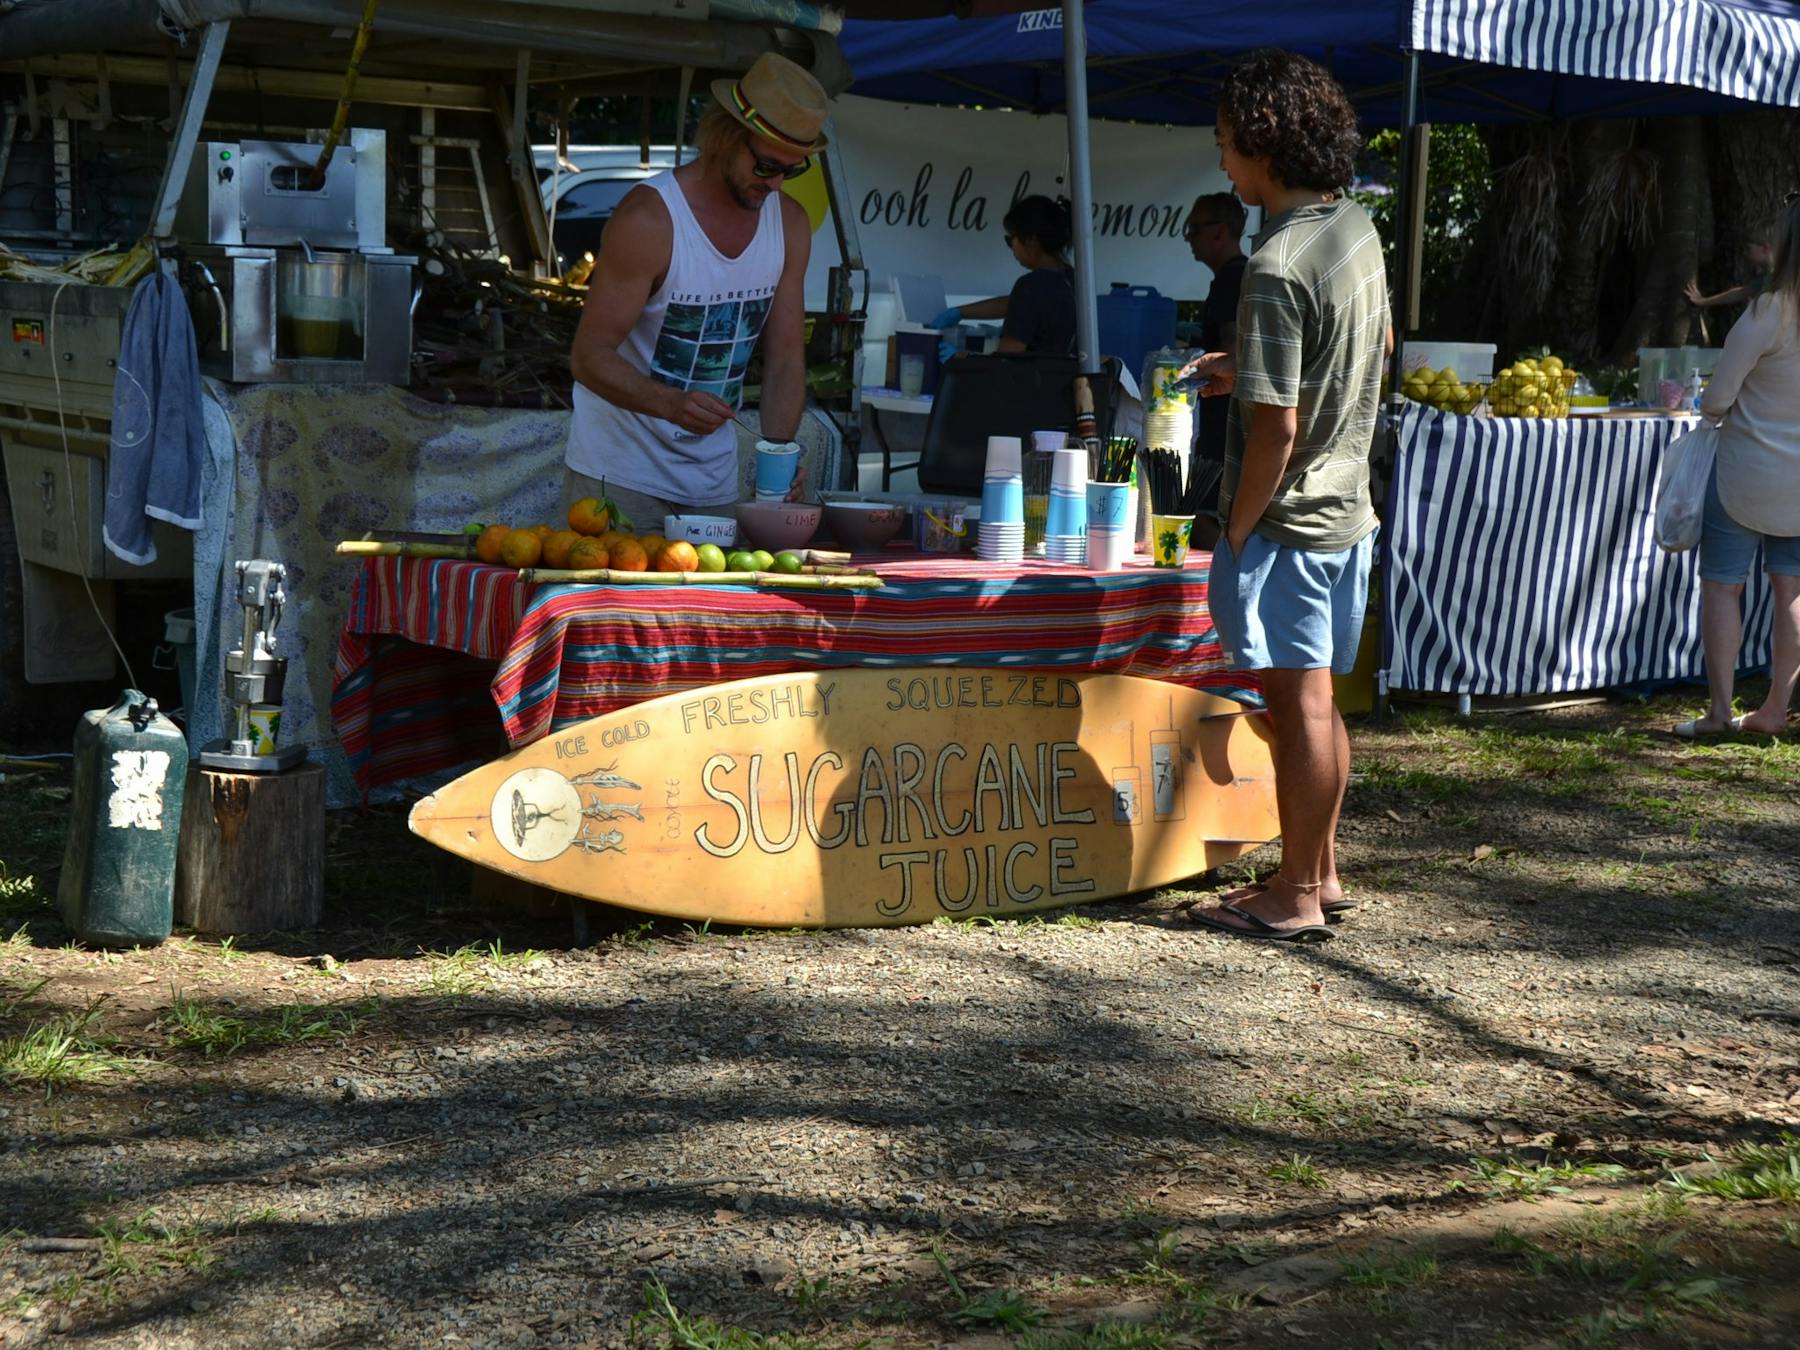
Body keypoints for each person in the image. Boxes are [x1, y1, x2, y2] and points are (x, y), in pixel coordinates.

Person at [1177, 49, 1389, 943]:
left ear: (1263, 144)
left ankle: (1294, 894)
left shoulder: (1273, 261)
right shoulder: (1357, 229)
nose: (1223, 162)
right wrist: (1249, 365)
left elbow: (1277, 432)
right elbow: (1366, 353)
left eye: (1228, 144)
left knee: (1295, 704)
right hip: (1349, 509)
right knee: (1319, 700)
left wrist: (1237, 529)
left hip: (1290, 519)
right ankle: (1323, 871)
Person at [563, 52, 823, 527]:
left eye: (793, 169)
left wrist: (780, 459)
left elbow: (786, 357)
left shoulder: (790, 225)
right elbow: (588, 357)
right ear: (724, 137)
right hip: (620, 477)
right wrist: (670, 404)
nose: (777, 183)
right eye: (766, 165)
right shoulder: (651, 220)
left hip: (712, 484)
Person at [1673, 193, 1800, 740]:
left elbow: (1718, 399)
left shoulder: (1768, 310)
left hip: (1745, 474)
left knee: (1723, 587)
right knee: (1790, 590)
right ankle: (1775, 708)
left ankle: (1721, 711)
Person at [925, 196, 1076, 361]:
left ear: (1032, 240)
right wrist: (960, 312)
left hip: (1033, 383)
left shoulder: (1030, 286)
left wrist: (963, 357)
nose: (1011, 248)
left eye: (1010, 239)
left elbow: (1006, 361)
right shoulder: (1071, 279)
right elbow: (1019, 305)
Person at [1185, 191, 1249, 466]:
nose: (1189, 237)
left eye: (1194, 229)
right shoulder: (1237, 275)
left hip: (1224, 429)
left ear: (1220, 233)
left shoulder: (1231, 279)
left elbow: (1231, 347)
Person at [1686, 228, 1774, 311]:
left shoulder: (1781, 275)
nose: (1745, 253)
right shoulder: (1765, 279)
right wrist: (1702, 301)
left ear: (1765, 248)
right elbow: (1740, 293)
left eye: (1748, 248)